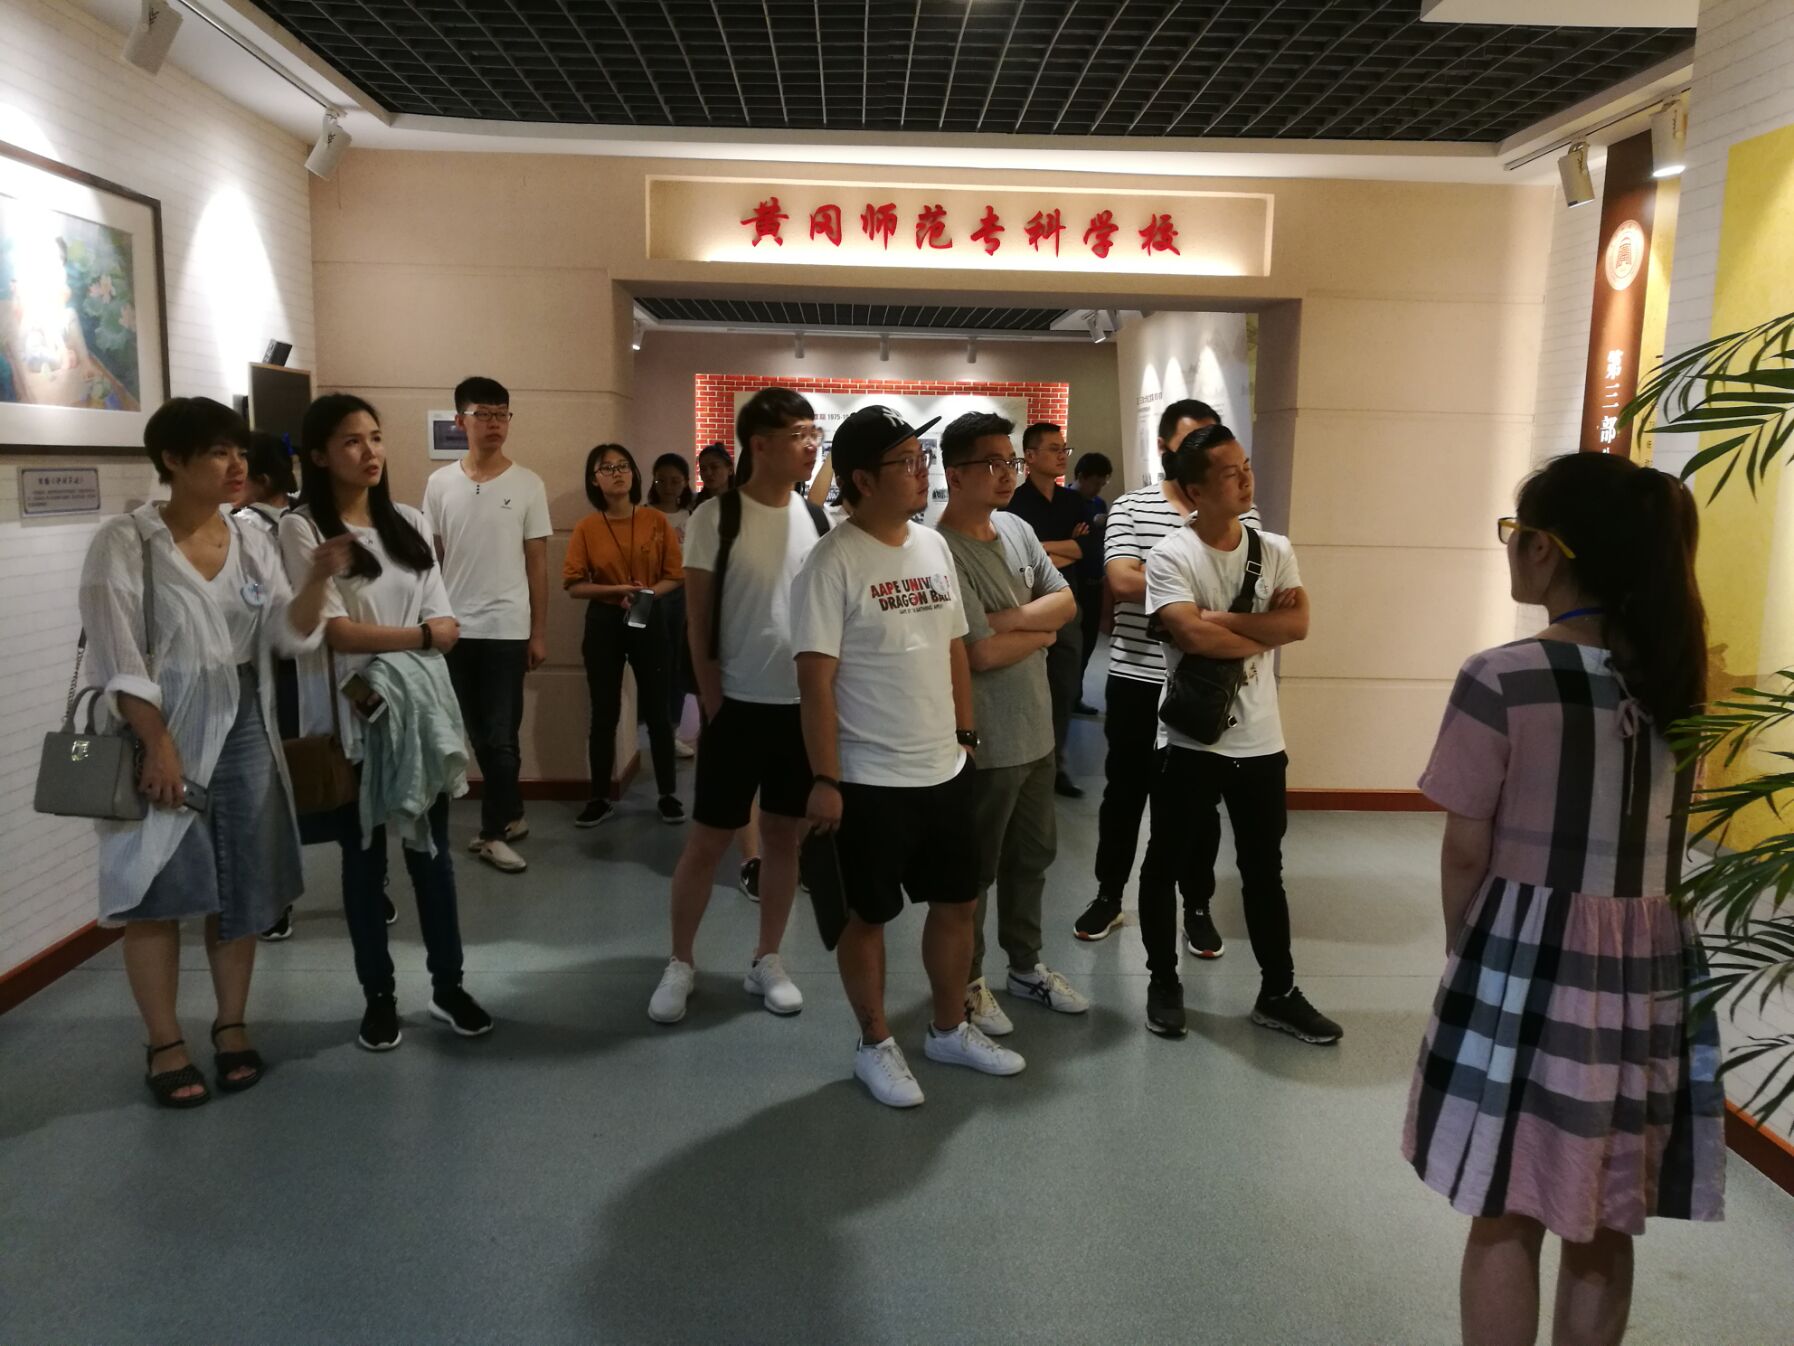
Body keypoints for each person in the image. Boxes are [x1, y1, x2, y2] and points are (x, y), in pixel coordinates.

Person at [1404, 452, 1723, 1346]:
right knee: (1607, 1209)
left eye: (1515, 533)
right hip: (1651, 964)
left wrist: (1465, 948)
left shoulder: (1503, 676)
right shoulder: (1681, 678)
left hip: (1527, 959)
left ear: (1545, 550)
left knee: (1506, 1202)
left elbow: (1467, 848)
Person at [78, 396, 349, 1107]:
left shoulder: (251, 536)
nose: (237, 466)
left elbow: (286, 635)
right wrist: (158, 745)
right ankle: (165, 1043)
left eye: (240, 453)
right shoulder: (126, 543)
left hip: (243, 723)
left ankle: (231, 1026)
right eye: (219, 452)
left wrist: (318, 579)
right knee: (155, 889)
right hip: (157, 725)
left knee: (244, 884)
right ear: (173, 460)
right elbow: (117, 658)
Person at [792, 404, 1024, 1109]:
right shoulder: (830, 562)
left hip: (943, 769)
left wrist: (966, 737)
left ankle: (948, 1029)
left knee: (958, 903)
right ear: (862, 480)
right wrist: (825, 779)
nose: (922, 473)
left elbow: (954, 645)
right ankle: (875, 1044)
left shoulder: (931, 546)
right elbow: (815, 682)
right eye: (905, 462)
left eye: (922, 459)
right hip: (867, 779)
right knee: (867, 916)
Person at [281, 394, 493, 1052]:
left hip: (417, 720)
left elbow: (446, 621)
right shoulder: (303, 530)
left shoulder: (407, 521)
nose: (369, 451)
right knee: (363, 863)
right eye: (351, 441)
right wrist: (419, 638)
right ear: (319, 456)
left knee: (432, 859)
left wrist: (417, 636)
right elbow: (336, 633)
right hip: (352, 721)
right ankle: (379, 998)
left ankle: (449, 987)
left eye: (374, 437)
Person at [1138, 422, 1340, 1045]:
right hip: (1191, 743)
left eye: (1246, 466)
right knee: (1166, 863)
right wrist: (1256, 628)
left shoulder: (1273, 549)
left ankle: (1278, 991)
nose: (1246, 479)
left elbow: (1298, 625)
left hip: (1260, 744)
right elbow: (1189, 635)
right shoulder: (1171, 556)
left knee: (1263, 870)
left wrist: (1217, 619)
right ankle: (1163, 980)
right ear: (1196, 491)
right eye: (1230, 474)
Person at [648, 388, 826, 1025]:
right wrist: (715, 704)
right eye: (800, 434)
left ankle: (767, 958)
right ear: (761, 444)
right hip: (737, 707)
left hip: (799, 707)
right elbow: (697, 623)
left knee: (783, 839)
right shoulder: (716, 517)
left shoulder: (815, 518)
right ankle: (681, 961)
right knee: (707, 840)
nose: (811, 445)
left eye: (814, 433)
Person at [1073, 399, 1262, 946]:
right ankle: (1109, 896)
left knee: (1200, 803)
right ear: (1164, 449)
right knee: (1125, 793)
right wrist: (1200, 586)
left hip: (1206, 683)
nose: (1204, 454)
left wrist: (1168, 589)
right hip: (1137, 675)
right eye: (1191, 444)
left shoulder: (1244, 514)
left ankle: (1197, 905)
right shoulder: (1132, 507)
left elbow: (1250, 591)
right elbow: (1121, 581)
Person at [935, 412, 1091, 1037]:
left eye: (1011, 462)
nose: (1007, 474)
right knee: (976, 872)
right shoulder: (941, 550)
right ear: (955, 474)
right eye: (992, 463)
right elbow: (978, 652)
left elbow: (1067, 601)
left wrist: (1016, 622)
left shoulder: (1019, 529)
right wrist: (1039, 629)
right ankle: (968, 982)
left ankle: (1024, 966)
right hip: (987, 738)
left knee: (1033, 857)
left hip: (1036, 730)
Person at [422, 375, 551, 875]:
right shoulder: (440, 484)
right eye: (484, 414)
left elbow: (537, 563)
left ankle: (493, 833)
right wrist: (431, 618)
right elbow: (432, 560)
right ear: (461, 421)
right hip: (454, 628)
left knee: (500, 737)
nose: (495, 423)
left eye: (502, 414)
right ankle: (511, 813)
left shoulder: (528, 483)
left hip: (506, 628)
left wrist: (539, 632)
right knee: (474, 733)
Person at [565, 443, 686, 826]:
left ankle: (668, 794)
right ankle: (600, 797)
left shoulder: (656, 521)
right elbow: (574, 585)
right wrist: (615, 591)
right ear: (594, 480)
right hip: (604, 619)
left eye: (623, 466)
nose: (617, 473)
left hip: (648, 614)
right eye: (607, 468)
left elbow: (675, 575)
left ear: (634, 474)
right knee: (604, 712)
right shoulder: (587, 527)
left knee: (658, 711)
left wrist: (644, 594)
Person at [233, 431, 307, 943]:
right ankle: (374, 887)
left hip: (266, 669)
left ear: (257, 477)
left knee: (267, 790)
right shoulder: (311, 519)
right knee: (335, 774)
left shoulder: (240, 529)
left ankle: (275, 906)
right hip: (318, 663)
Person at [1003, 422, 1087, 798]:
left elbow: (1088, 551)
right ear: (1030, 456)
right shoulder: (1013, 504)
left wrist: (1041, 548)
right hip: (1026, 605)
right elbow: (1019, 558)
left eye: (1063, 449)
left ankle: (1056, 764)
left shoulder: (1073, 502)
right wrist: (1064, 546)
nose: (1061, 455)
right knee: (1025, 686)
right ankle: (1025, 759)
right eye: (1053, 448)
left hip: (1067, 607)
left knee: (1064, 687)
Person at [648, 452, 698, 755]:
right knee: (651, 662)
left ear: (685, 483)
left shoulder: (692, 517)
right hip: (650, 593)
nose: (668, 487)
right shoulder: (643, 515)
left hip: (683, 594)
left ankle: (672, 730)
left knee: (677, 663)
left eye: (675, 481)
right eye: (662, 481)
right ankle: (653, 727)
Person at [1071, 450, 1112, 710]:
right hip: (1073, 584)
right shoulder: (1064, 501)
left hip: (1095, 583)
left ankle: (1075, 696)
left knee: (1088, 645)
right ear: (1081, 476)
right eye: (1095, 482)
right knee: (1070, 646)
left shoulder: (1099, 504)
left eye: (1102, 483)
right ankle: (1065, 697)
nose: (1098, 489)